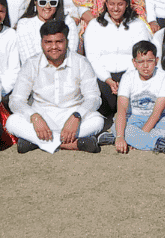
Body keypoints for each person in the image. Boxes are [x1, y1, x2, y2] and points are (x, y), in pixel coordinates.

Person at [7, 19, 105, 153]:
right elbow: (16, 100)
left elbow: (93, 98)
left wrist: (77, 116)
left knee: (97, 121)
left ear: (67, 42)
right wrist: (34, 117)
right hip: (41, 118)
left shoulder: (81, 62)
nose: (54, 47)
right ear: (41, 43)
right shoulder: (31, 64)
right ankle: (71, 144)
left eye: (59, 42)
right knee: (12, 122)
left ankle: (38, 142)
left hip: (72, 116)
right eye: (48, 42)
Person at [113, 40, 165, 154]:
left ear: (156, 61)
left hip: (158, 118)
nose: (145, 66)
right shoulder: (127, 77)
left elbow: (157, 112)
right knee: (123, 131)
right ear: (134, 62)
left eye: (150, 61)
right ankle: (158, 143)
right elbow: (122, 109)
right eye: (141, 61)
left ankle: (140, 141)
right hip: (133, 117)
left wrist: (141, 135)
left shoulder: (164, 77)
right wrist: (120, 136)